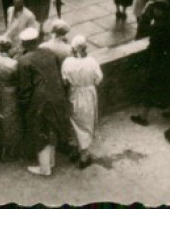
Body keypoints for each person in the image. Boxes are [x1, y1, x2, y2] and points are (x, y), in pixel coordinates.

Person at [15, 28, 76, 177]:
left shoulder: (24, 61)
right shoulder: (50, 53)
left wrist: (23, 105)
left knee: (41, 132)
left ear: (24, 43)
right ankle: (51, 161)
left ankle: (44, 168)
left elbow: (25, 89)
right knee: (52, 129)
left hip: (41, 100)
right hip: (58, 95)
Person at [61, 37, 104, 166]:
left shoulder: (68, 62)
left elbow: (65, 81)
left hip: (74, 94)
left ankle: (75, 149)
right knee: (86, 123)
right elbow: (98, 79)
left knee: (74, 121)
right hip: (89, 94)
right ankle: (84, 156)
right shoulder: (92, 62)